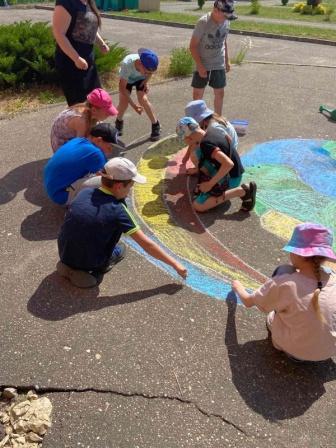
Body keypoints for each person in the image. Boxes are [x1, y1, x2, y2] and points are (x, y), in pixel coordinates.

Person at [57, 157, 188, 288]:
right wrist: (175, 265)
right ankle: (92, 272)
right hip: (90, 263)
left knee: (87, 229)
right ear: (119, 186)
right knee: (121, 249)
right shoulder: (118, 210)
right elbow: (147, 244)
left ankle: (69, 266)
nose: (130, 191)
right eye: (130, 186)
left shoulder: (85, 192)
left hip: (64, 252)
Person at [232, 223, 336, 362]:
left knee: (283, 272)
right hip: (326, 353)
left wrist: (238, 286)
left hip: (293, 349)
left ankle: (290, 346)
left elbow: (248, 301)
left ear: (297, 253)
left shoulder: (286, 283)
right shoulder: (333, 279)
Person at [176, 116, 256, 213]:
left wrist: (209, 184)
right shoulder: (210, 131)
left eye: (184, 139)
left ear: (188, 138)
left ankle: (243, 191)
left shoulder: (206, 144)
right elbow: (228, 140)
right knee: (196, 153)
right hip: (228, 169)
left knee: (198, 205)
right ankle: (212, 182)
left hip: (232, 177)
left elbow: (228, 164)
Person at [44, 123, 119, 206]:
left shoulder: (78, 140)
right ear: (99, 140)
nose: (111, 150)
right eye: (110, 146)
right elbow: (109, 177)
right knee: (110, 183)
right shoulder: (96, 154)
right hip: (62, 196)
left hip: (52, 188)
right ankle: (82, 207)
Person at [52, 0, 109, 106]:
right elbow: (58, 33)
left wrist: (101, 43)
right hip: (70, 62)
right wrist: (76, 58)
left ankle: (92, 122)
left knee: (96, 101)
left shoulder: (89, 3)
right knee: (79, 105)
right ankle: (78, 122)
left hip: (88, 61)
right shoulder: (66, 3)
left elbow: (89, 26)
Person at [189, 0, 235, 116]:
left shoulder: (226, 21)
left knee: (220, 93)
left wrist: (227, 60)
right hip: (203, 61)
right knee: (198, 95)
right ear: (216, 10)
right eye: (224, 16)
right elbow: (193, 46)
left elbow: (224, 41)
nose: (226, 19)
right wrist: (199, 65)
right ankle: (197, 120)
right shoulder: (203, 22)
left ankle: (218, 120)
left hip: (218, 61)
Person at [51, 88, 118, 152]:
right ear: (94, 110)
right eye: (107, 113)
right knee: (92, 146)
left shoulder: (88, 109)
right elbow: (79, 146)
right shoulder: (81, 121)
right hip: (61, 144)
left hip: (68, 135)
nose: (109, 114)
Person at [115, 48, 161, 142]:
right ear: (140, 62)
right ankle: (119, 121)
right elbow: (122, 88)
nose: (147, 73)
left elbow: (150, 73)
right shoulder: (127, 64)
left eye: (149, 72)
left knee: (143, 99)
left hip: (140, 79)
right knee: (124, 102)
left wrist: (145, 81)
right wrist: (134, 106)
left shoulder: (148, 67)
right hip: (127, 80)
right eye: (146, 71)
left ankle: (156, 124)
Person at [183, 99, 238, 165]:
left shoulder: (213, 128)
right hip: (228, 147)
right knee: (199, 142)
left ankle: (207, 169)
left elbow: (229, 140)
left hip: (229, 152)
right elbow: (195, 139)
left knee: (196, 153)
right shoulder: (211, 120)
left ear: (200, 119)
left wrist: (228, 158)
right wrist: (186, 156)